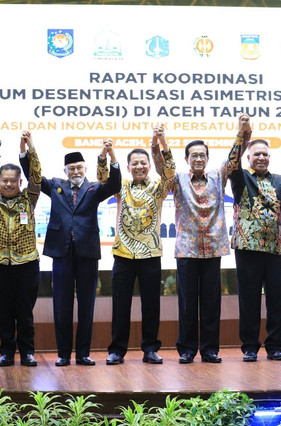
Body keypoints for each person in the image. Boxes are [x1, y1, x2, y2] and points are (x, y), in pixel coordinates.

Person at [21, 139, 121, 366]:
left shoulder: (95, 188)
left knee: (87, 304)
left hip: (87, 251)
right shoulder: (56, 185)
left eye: (79, 167)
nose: (75, 171)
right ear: (65, 171)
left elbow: (114, 185)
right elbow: (32, 176)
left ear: (85, 169)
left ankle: (83, 353)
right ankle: (63, 354)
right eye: (71, 168)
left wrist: (111, 156)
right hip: (61, 251)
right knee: (61, 305)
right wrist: (26, 149)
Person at [170, 114, 249, 364]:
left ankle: (210, 349)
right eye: (193, 155)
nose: (198, 159)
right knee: (187, 304)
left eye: (202, 155)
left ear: (207, 157)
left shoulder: (218, 176)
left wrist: (241, 132)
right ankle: (186, 349)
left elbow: (235, 157)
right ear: (186, 159)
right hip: (186, 250)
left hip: (213, 249)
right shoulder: (177, 179)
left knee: (211, 303)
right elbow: (162, 166)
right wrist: (159, 142)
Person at [101, 126, 175, 365]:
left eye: (144, 163)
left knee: (151, 305)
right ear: (129, 166)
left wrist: (162, 143)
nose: (140, 167)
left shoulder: (157, 187)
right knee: (120, 305)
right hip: (123, 254)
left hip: (151, 254)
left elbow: (170, 175)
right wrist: (108, 156)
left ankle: (150, 349)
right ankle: (117, 350)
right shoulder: (120, 187)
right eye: (135, 163)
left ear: (149, 166)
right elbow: (104, 179)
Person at [229, 122, 281, 362]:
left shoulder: (278, 180)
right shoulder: (241, 177)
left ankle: (275, 346)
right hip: (247, 249)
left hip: (275, 249)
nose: (261, 157)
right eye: (256, 153)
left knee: (276, 300)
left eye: (265, 154)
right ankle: (249, 347)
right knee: (249, 300)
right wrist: (241, 134)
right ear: (249, 156)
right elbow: (232, 162)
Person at [0, 130, 41, 367]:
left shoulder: (29, 198)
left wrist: (30, 147)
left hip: (27, 263)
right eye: (4, 180)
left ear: (19, 182)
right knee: (3, 312)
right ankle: (7, 352)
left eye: (12, 180)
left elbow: (36, 176)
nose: (8, 183)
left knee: (25, 312)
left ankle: (27, 352)